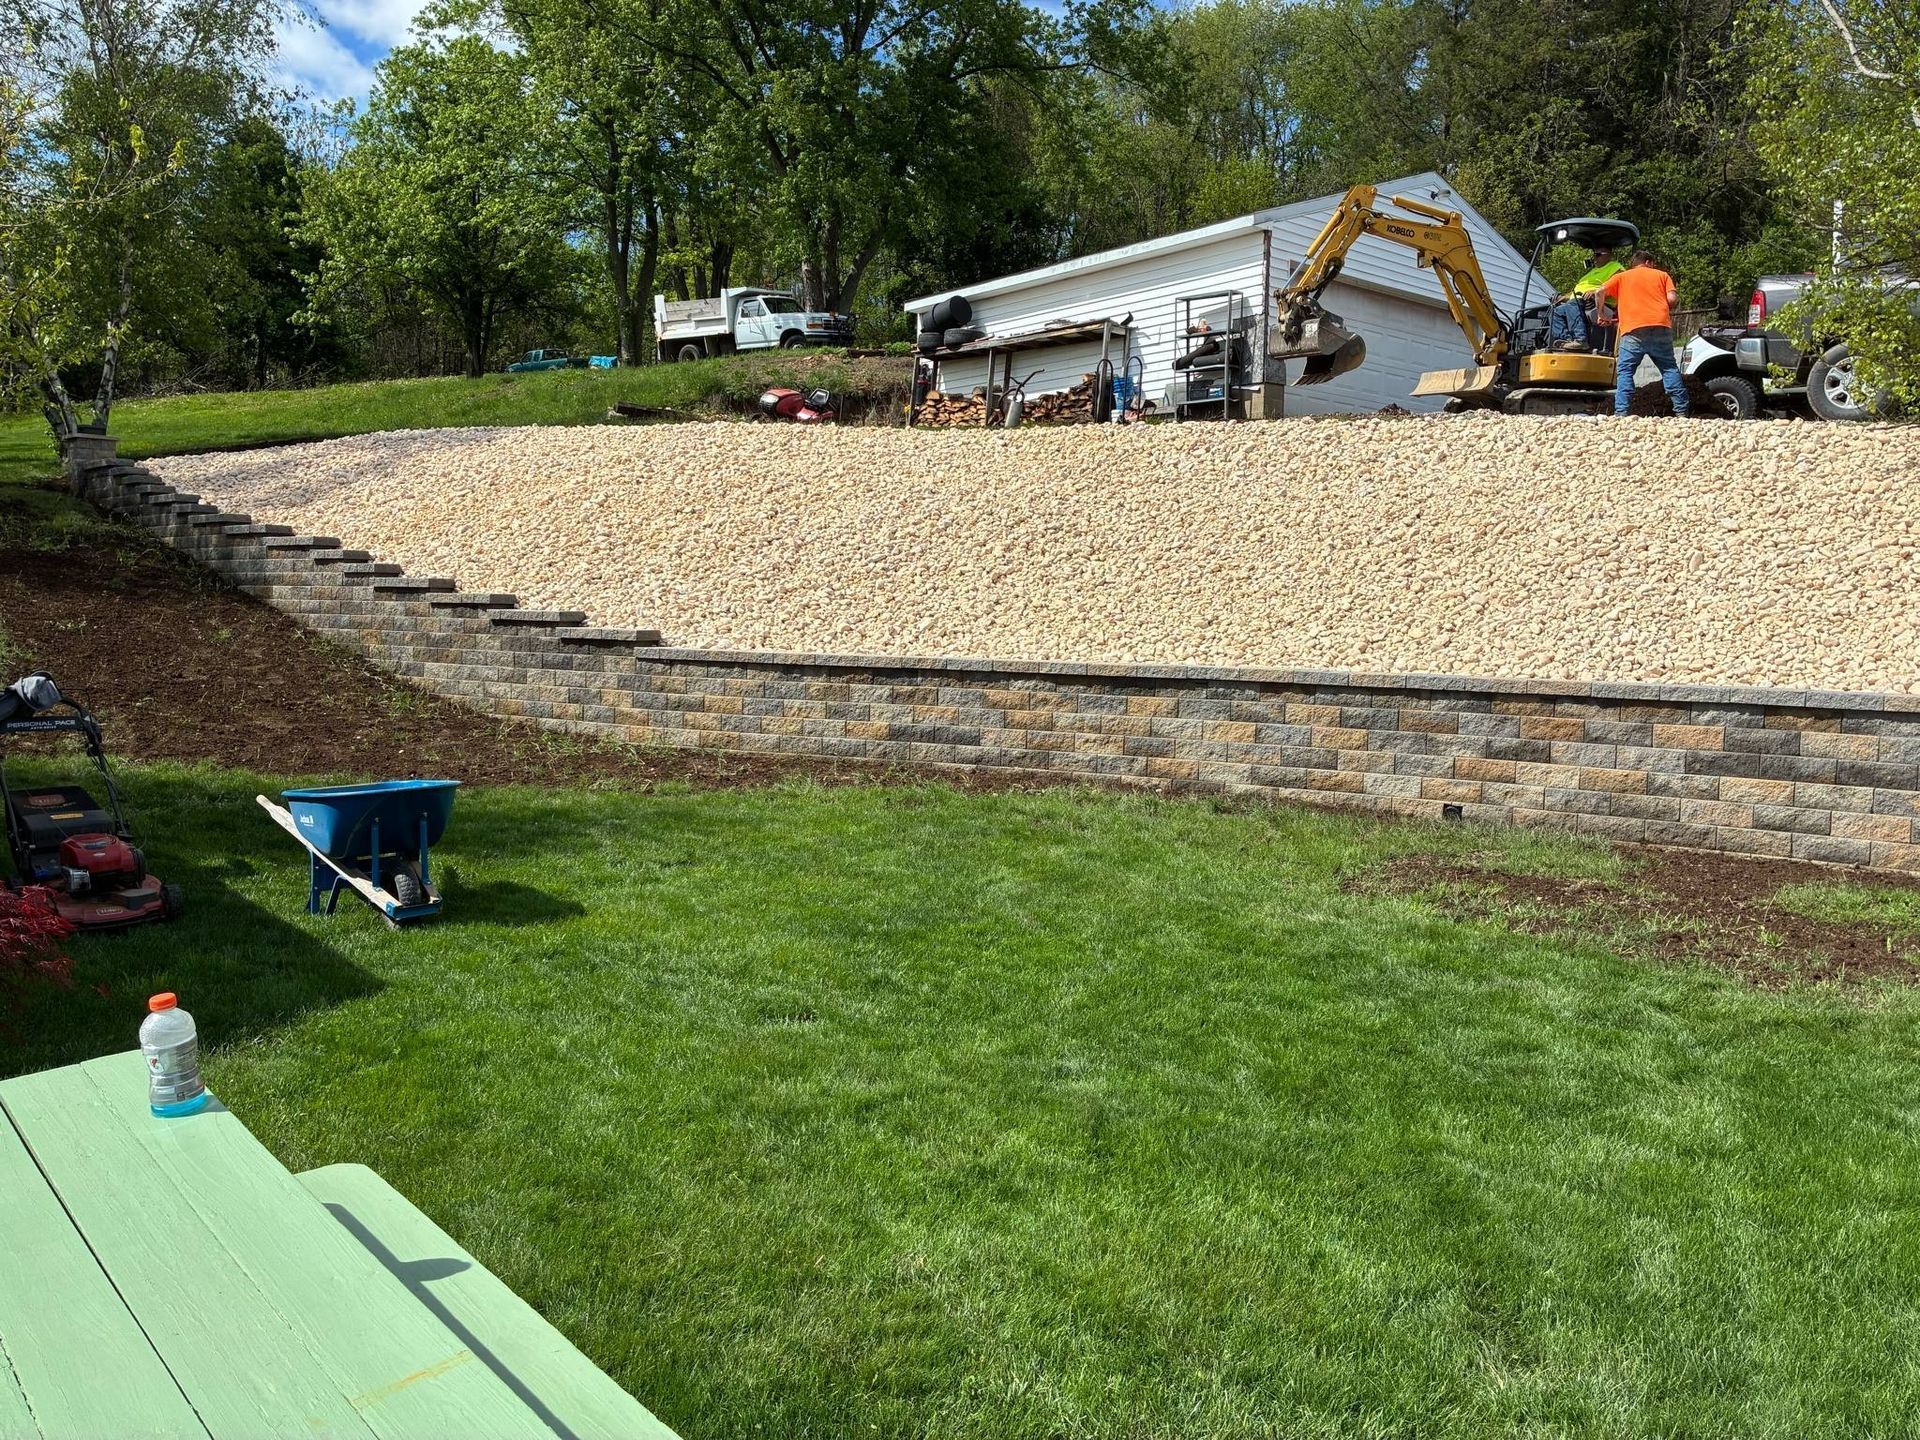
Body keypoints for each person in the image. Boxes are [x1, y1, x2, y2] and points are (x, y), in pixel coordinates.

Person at [1591, 250, 1690, 417]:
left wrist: (1601, 313)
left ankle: (1621, 413)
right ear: (1649, 262)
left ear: (1634, 263)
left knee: (1626, 371)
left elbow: (1599, 292)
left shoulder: (1623, 277)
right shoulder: (1662, 275)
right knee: (1669, 369)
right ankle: (1681, 412)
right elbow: (1672, 299)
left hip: (1633, 331)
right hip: (1660, 326)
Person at [1548, 245, 1623, 352]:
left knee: (1573, 304)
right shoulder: (1591, 272)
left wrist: (1594, 292)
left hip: (1599, 303)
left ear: (1609, 256)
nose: (1594, 258)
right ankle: (1567, 340)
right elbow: (1580, 289)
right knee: (1556, 312)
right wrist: (1564, 297)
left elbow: (1618, 286)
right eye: (1593, 255)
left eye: (1597, 255)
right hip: (1579, 300)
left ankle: (1581, 339)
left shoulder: (1616, 268)